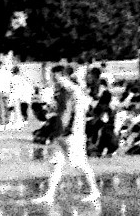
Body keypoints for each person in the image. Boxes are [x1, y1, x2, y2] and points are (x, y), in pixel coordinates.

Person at [37, 64, 99, 206]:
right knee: (56, 164)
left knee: (80, 164)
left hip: (73, 134)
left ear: (61, 76)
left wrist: (63, 80)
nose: (53, 79)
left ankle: (94, 191)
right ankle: (49, 195)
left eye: (55, 76)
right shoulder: (64, 92)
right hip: (63, 133)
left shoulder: (72, 91)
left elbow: (70, 104)